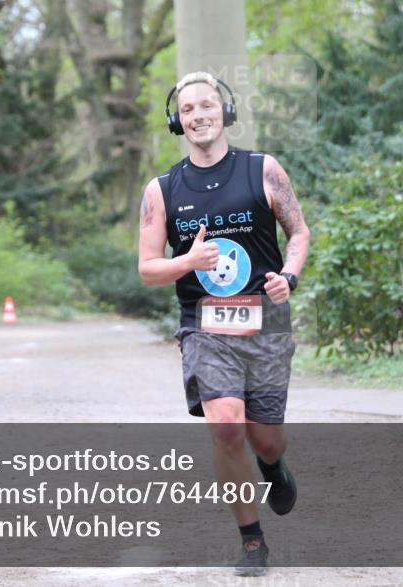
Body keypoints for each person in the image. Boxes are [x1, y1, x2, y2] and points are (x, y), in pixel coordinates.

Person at [138, 71, 310, 577]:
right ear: (177, 121)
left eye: (207, 105)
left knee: (265, 438)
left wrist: (289, 276)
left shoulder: (263, 169)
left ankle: (273, 465)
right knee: (227, 426)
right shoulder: (162, 190)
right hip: (204, 325)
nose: (198, 115)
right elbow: (148, 268)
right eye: (188, 109)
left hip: (265, 321)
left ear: (226, 111)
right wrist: (187, 262)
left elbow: (298, 233)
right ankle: (252, 540)